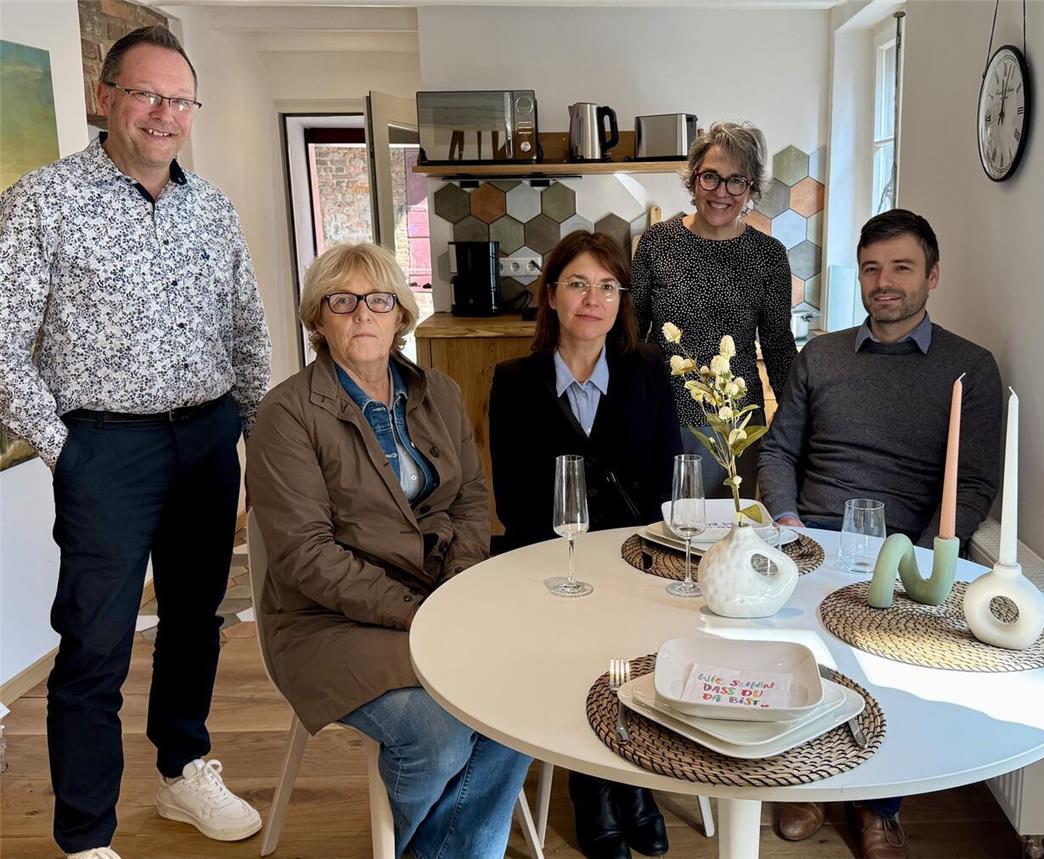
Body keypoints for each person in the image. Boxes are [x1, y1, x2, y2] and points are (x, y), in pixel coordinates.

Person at [0, 25, 270, 859]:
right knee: (94, 639)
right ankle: (86, 835)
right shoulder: (43, 201)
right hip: (105, 448)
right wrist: (61, 445)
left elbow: (247, 328)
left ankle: (183, 768)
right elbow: (3, 341)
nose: (165, 113)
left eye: (180, 98)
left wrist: (261, 437)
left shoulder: (212, 205)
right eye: (147, 94)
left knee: (196, 619)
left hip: (208, 437)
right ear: (106, 98)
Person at [246, 242, 530, 858]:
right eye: (341, 302)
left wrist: (457, 587)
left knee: (520, 694)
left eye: (378, 300)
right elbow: (305, 555)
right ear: (318, 320)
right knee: (440, 734)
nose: (362, 315)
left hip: (437, 597)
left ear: (401, 314)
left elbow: (471, 500)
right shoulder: (286, 414)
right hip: (329, 620)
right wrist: (418, 612)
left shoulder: (440, 393)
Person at [758, 209, 1004, 858]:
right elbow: (777, 451)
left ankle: (879, 804)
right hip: (812, 537)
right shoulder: (823, 355)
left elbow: (975, 482)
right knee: (789, 651)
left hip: (902, 553)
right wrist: (786, 523)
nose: (884, 281)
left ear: (933, 275)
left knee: (886, 664)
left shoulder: (970, 369)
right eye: (872, 268)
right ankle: (801, 778)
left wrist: (924, 555)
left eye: (901, 267)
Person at [489, 231, 680, 859]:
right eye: (577, 284)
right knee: (579, 636)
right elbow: (513, 500)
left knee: (634, 636)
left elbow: (667, 479)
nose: (592, 299)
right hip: (551, 564)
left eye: (607, 286)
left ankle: (634, 782)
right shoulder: (514, 381)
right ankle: (591, 784)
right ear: (550, 297)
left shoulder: (648, 371)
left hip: (635, 560)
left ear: (622, 300)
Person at [631, 120, 796, 499]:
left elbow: (778, 347)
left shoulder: (768, 256)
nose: (722, 192)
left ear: (751, 189)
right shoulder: (657, 242)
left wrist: (793, 425)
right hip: (663, 417)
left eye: (736, 180)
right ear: (693, 180)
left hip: (735, 425)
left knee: (726, 539)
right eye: (711, 177)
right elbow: (630, 331)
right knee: (663, 536)